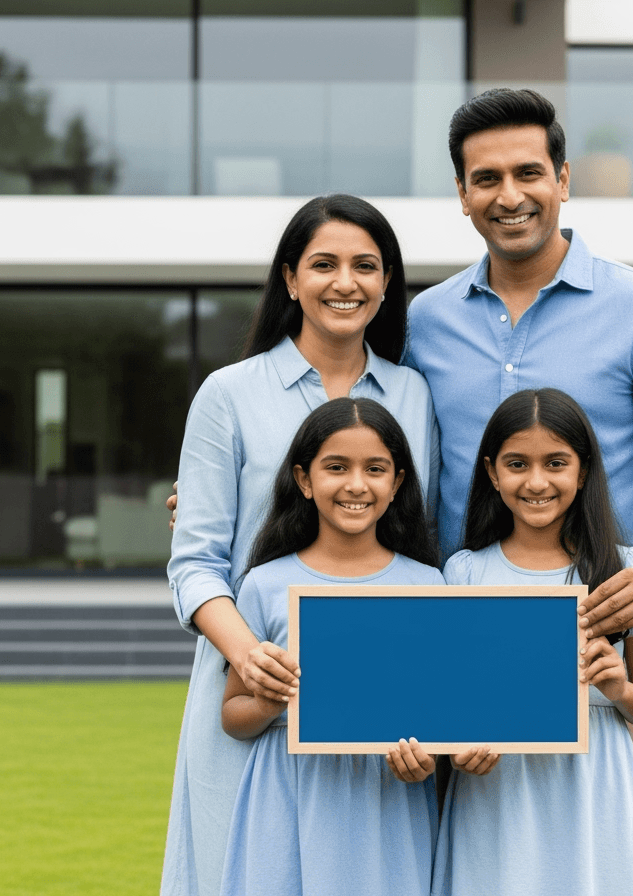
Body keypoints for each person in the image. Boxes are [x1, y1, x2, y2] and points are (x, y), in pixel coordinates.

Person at [405, 88, 633, 859]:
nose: (509, 195)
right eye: (486, 179)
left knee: (600, 865)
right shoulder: (422, 323)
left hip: (595, 663)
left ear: (563, 179)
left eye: (528, 173)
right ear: (462, 194)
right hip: (458, 656)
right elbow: (359, 449)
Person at [163, 195, 438, 896]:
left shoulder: (414, 394)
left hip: (383, 718)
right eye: (323, 265)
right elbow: (194, 562)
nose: (345, 282)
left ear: (387, 283)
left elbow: (421, 538)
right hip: (255, 688)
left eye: (365, 266)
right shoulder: (228, 394)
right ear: (290, 279)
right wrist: (249, 656)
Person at [432, 389, 633, 896]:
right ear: (492, 473)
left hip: (594, 786)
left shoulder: (621, 571)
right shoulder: (465, 572)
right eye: (517, 464)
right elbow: (450, 703)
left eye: (556, 463)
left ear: (583, 472)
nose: (536, 481)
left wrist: (621, 689)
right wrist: (457, 749)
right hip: (496, 791)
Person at [220, 397, 442, 896]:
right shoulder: (263, 584)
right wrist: (267, 702)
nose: (356, 485)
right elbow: (233, 715)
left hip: (389, 796)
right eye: (336, 467)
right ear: (304, 479)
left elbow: (439, 713)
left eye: (375, 469)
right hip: (290, 791)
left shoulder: (428, 584)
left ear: (397, 482)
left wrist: (428, 758)